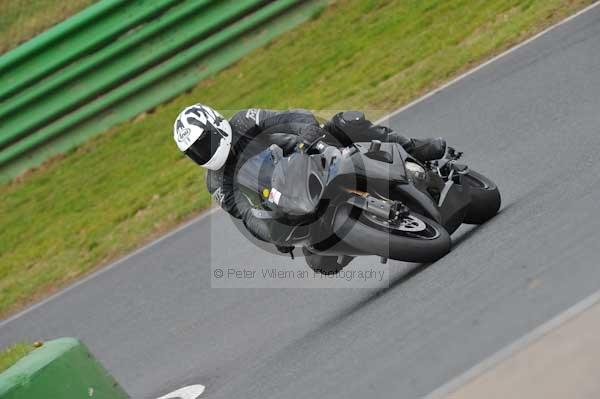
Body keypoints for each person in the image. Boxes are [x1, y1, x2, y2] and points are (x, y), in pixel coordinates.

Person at [173, 104, 446, 252]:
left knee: (345, 122)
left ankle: (413, 146)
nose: (202, 152)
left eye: (203, 142)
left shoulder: (245, 120)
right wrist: (272, 234)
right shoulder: (216, 182)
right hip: (288, 198)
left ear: (216, 126)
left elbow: (290, 117)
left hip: (307, 153)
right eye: (193, 151)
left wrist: (307, 133)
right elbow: (245, 214)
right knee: (318, 259)